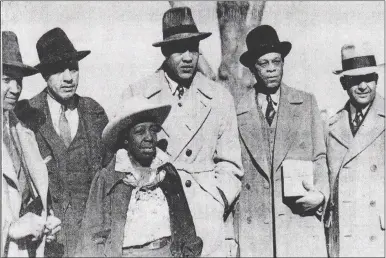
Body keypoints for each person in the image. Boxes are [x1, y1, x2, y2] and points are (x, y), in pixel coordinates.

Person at [119, 7, 243, 257]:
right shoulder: (139, 94)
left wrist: (216, 198)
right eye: (179, 49)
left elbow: (231, 164)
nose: (187, 57)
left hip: (207, 219)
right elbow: (122, 160)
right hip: (157, 223)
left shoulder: (220, 97)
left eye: (193, 48)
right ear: (165, 52)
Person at [15, 27, 113, 257]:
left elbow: (110, 176)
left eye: (74, 68)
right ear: (44, 75)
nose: (69, 77)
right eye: (59, 70)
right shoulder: (25, 115)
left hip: (93, 240)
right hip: (46, 242)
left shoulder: (94, 112)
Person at [235, 25, 329, 257]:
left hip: (299, 225)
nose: (271, 70)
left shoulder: (306, 103)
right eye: (263, 64)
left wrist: (321, 195)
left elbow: (320, 157)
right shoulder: (237, 110)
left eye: (276, 62)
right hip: (255, 231)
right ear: (252, 69)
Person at [76, 96, 203, 257]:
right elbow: (93, 237)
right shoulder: (108, 179)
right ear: (126, 139)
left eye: (153, 130)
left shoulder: (167, 173)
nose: (149, 137)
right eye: (139, 131)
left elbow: (186, 229)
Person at [2, 31, 61, 257]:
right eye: (7, 79)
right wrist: (10, 228)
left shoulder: (19, 128)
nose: (16, 89)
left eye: (19, 80)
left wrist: (45, 219)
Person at [325, 42, 384, 257]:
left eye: (368, 78)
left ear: (376, 79)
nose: (363, 86)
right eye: (355, 80)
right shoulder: (331, 126)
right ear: (343, 83)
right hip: (343, 232)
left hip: (377, 232)